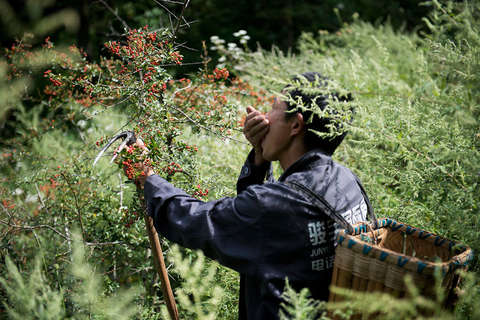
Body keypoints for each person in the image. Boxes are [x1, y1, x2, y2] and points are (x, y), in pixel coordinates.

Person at [129, 71, 374, 319]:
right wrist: (260, 157)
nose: (264, 117)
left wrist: (148, 177)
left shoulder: (274, 204)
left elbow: (195, 221)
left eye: (274, 106)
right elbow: (266, 229)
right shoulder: (348, 180)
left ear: (296, 125)